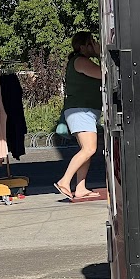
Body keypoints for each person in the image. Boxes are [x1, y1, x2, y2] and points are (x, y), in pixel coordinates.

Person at [54, 31, 103, 200]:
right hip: (81, 111)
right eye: (91, 43)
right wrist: (101, 54)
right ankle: (64, 181)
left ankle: (80, 187)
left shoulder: (80, 61)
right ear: (83, 47)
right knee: (90, 149)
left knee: (86, 151)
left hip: (83, 111)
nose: (94, 45)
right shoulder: (81, 61)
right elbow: (105, 73)